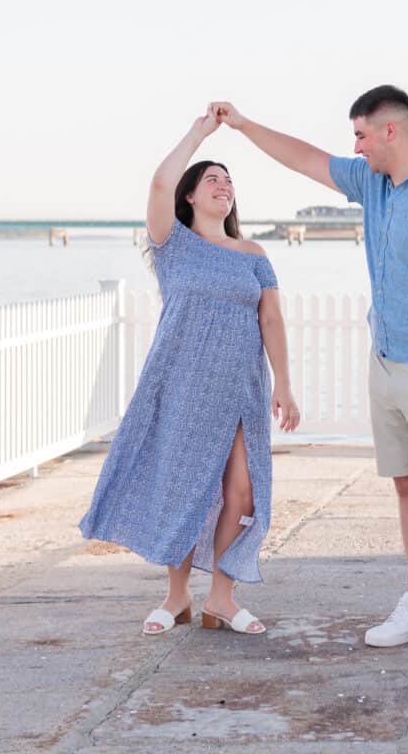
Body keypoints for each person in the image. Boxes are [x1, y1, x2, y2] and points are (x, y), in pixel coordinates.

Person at [210, 86, 408, 660]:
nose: (356, 147)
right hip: (386, 363)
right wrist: (243, 125)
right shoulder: (372, 183)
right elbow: (304, 157)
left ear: (391, 130)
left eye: (362, 136)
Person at [79, 108, 300, 637]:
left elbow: (270, 318)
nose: (224, 186)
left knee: (243, 493)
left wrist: (285, 385)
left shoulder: (253, 253)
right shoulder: (172, 245)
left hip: (242, 388)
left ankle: (220, 598)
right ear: (190, 196)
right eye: (212, 180)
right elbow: (159, 181)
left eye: (229, 181)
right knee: (183, 485)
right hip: (182, 383)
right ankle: (176, 596)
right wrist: (201, 133)